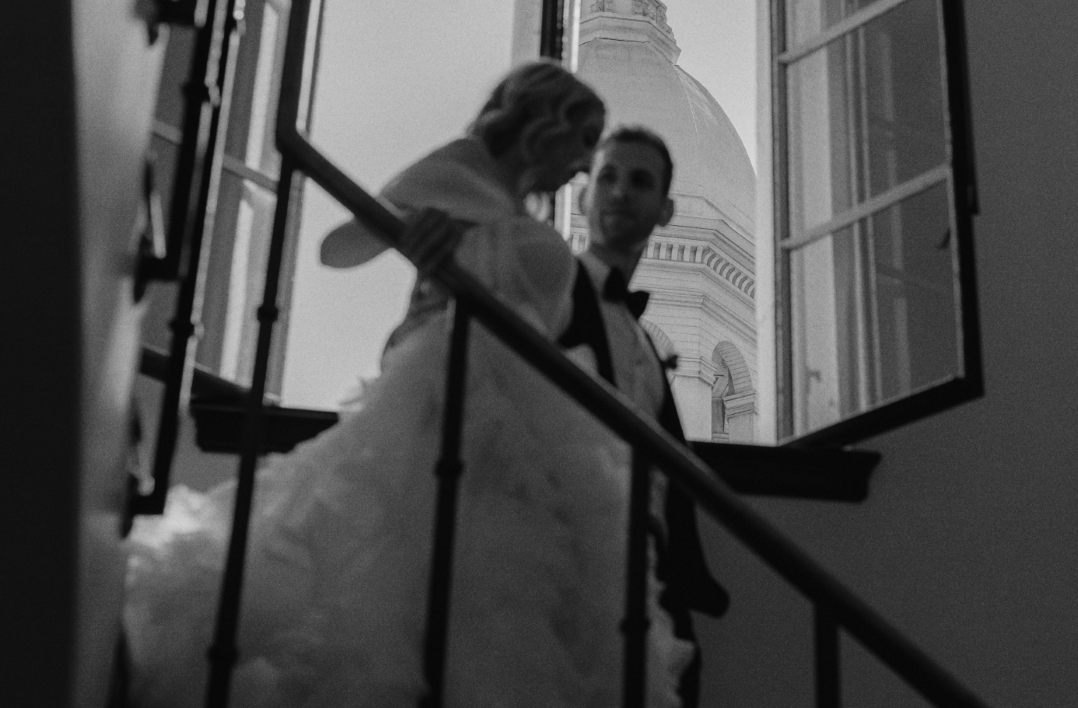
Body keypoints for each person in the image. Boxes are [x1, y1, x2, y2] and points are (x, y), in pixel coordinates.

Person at [122, 61, 696, 707]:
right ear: (543, 124)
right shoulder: (460, 172)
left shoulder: (527, 221)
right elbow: (343, 246)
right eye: (586, 142)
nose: (586, 166)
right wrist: (415, 238)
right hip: (454, 411)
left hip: (528, 438)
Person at [558, 127, 730, 708]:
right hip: (569, 560)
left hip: (651, 580)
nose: (620, 192)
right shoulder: (552, 286)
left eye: (639, 181)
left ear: (665, 210)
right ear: (582, 197)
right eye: (605, 176)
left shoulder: (645, 349)